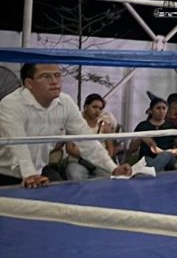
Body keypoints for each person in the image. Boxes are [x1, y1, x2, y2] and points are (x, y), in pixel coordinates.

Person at [0, 64, 131, 187]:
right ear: (29, 83)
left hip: (38, 174)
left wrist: (113, 168)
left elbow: (87, 141)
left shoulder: (66, 103)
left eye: (57, 75)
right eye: (46, 76)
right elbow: (17, 144)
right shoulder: (10, 104)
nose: (54, 81)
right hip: (5, 174)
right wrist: (30, 175)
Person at [132, 97, 177, 171]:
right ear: (151, 111)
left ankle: (152, 171)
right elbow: (131, 149)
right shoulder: (142, 126)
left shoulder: (172, 126)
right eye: (158, 108)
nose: (161, 111)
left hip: (169, 157)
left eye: (164, 108)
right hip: (148, 158)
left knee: (166, 155)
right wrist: (141, 138)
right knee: (155, 164)